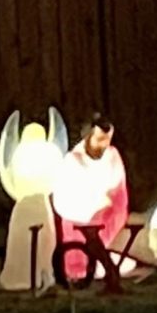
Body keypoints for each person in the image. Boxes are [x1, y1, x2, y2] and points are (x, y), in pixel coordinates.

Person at [52, 115, 131, 293]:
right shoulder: (73, 160)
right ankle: (84, 268)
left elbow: (117, 186)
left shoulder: (112, 156)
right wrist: (92, 203)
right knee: (87, 237)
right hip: (81, 214)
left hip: (106, 215)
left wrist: (107, 201)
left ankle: (110, 270)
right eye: (99, 139)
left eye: (106, 139)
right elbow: (66, 193)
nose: (103, 144)